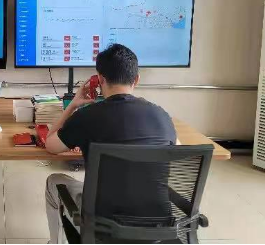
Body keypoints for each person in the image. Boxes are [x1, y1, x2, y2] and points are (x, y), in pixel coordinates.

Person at [44, 44, 177, 244]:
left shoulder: (87, 116)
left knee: (54, 181)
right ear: (136, 79)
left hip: (102, 226)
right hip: (156, 226)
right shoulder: (162, 116)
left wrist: (73, 105)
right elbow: (176, 148)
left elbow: (51, 145)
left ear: (100, 80)